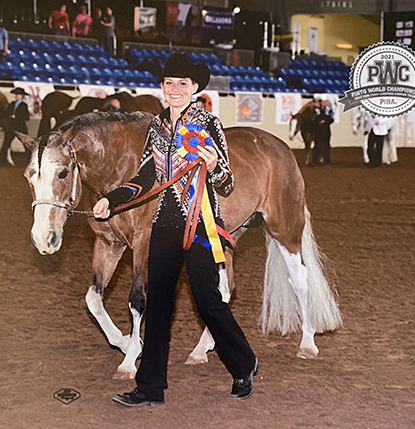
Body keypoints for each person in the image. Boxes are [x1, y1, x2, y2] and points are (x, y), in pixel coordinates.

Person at [93, 53, 257, 407]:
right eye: (169, 83)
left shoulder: (209, 124)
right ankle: (149, 386)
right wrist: (113, 199)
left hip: (200, 225)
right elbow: (146, 177)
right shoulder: (157, 127)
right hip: (164, 226)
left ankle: (244, 363)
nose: (175, 89)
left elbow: (226, 182)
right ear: (162, 87)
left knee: (209, 302)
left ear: (195, 88)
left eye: (182, 83)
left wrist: (214, 167)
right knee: (158, 305)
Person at [0, 87, 30, 166]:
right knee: (6, 144)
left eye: (18, 95)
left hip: (20, 127)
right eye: (16, 94)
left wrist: (16, 116)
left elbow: (26, 117)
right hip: (11, 127)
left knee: (26, 144)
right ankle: (0, 161)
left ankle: (31, 160)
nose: (16, 96)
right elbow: (5, 113)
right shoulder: (12, 104)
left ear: (22, 96)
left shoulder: (24, 105)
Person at [311, 99, 334, 166]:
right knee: (317, 145)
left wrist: (324, 120)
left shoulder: (329, 110)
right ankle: (314, 161)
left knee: (326, 146)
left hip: (326, 131)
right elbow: (314, 119)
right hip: (318, 131)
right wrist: (321, 120)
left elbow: (331, 119)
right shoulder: (316, 110)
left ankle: (327, 161)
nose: (325, 103)